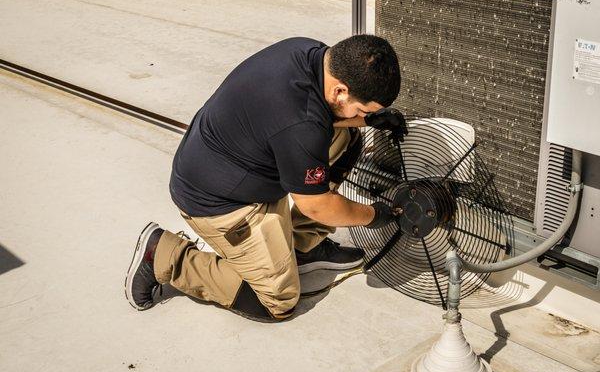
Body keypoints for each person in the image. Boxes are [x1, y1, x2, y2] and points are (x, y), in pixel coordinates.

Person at [125, 35, 407, 322]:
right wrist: (373, 215)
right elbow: (316, 205)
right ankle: (166, 256)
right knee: (278, 302)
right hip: (220, 202)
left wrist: (371, 120)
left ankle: (302, 247)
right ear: (341, 91)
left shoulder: (310, 52)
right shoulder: (302, 124)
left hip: (229, 157)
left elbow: (310, 117)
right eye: (363, 110)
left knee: (346, 139)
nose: (364, 116)